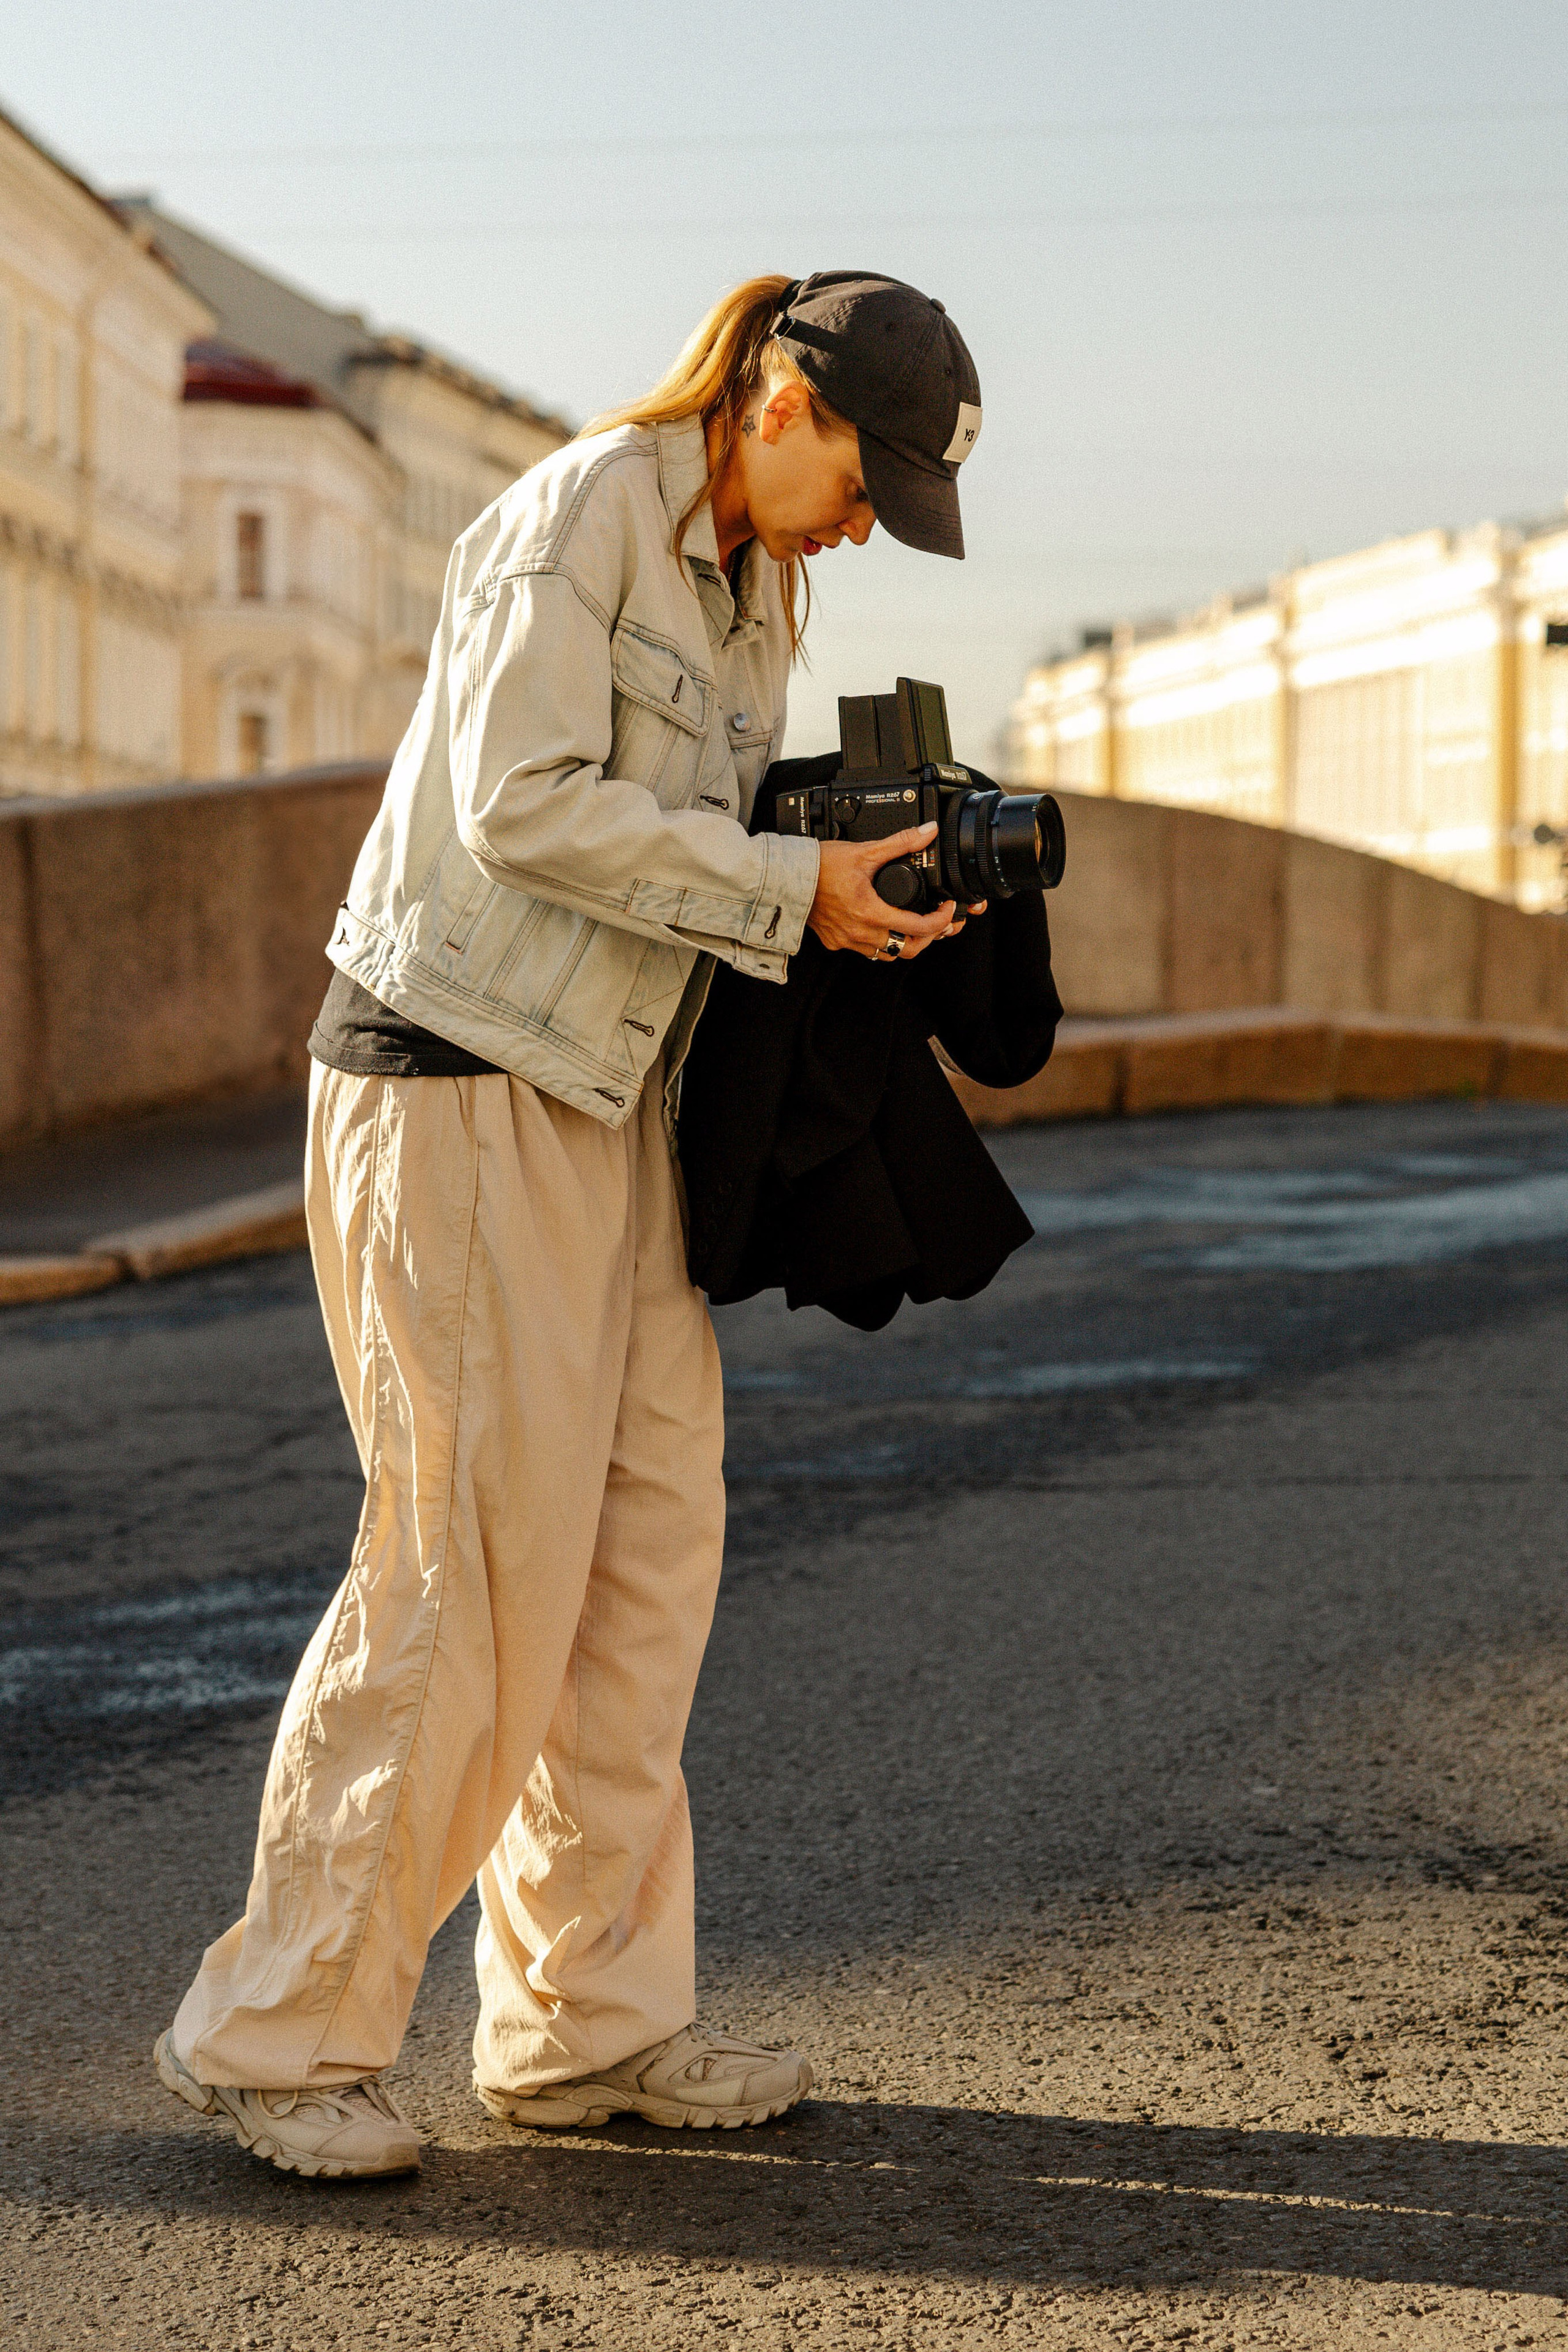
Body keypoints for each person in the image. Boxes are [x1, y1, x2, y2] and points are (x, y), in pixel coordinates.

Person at [154, 271, 986, 2179]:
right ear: (782, 400)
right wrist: (792, 887)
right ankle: (276, 2031)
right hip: (449, 1075)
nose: (872, 524)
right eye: (872, 478)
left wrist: (859, 875)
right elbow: (524, 805)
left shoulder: (765, 584)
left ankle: (582, 2025)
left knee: (641, 1557)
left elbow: (676, 837)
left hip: (606, 1097)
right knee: (467, 1570)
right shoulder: (585, 509)